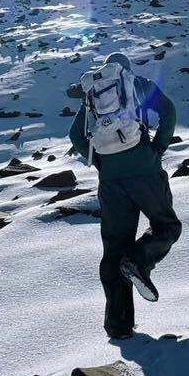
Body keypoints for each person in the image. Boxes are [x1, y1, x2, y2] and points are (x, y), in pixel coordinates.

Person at [68, 51, 181, 340]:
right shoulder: (136, 83)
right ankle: (140, 261)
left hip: (110, 182)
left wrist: (101, 164)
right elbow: (169, 112)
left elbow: (76, 137)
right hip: (144, 169)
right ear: (125, 69)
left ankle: (118, 327)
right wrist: (156, 152)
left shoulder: (92, 94)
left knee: (114, 249)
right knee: (167, 226)